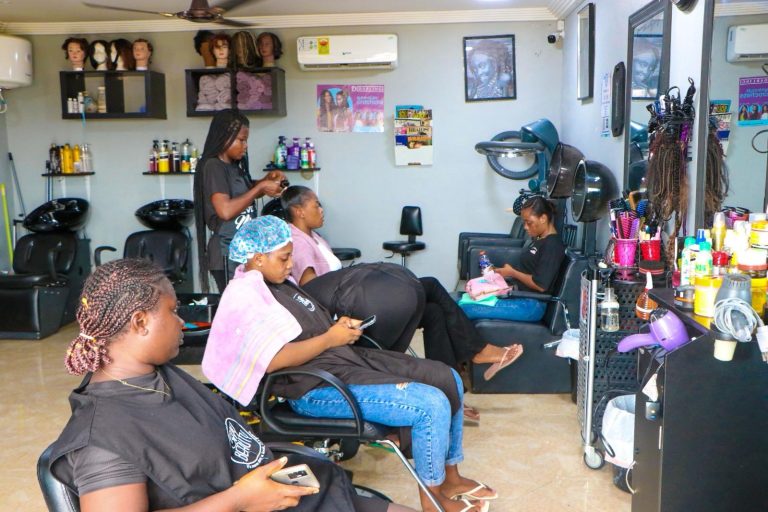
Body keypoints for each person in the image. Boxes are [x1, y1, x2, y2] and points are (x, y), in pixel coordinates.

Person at [47, 258, 405, 512]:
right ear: (140, 322)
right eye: (173, 311)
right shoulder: (103, 439)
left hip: (292, 494)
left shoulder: (155, 376)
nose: (181, 322)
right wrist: (239, 499)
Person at [203, 216, 497, 512]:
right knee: (429, 403)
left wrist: (338, 328)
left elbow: (306, 328)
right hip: (312, 387)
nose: (291, 264)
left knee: (447, 377)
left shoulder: (277, 283)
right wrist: (330, 338)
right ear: (258, 258)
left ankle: (451, 478)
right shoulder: (246, 295)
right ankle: (433, 503)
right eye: (284, 258)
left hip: (339, 361)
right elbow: (273, 360)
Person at [281, 186, 523, 395]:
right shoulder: (298, 242)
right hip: (342, 312)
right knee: (431, 285)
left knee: (434, 312)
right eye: (316, 205)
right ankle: (478, 350)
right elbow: (312, 292)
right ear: (299, 210)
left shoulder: (315, 238)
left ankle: (450, 386)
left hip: (351, 298)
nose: (322, 209)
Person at [193, 109, 285, 293]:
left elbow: (244, 195)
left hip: (241, 249)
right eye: (241, 140)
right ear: (224, 137)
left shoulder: (234, 167)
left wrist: (266, 181)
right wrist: (260, 188)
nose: (245, 146)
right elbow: (225, 210)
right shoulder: (213, 167)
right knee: (239, 304)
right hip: (226, 251)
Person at [460, 196, 566, 322]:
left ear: (543, 218)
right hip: (519, 296)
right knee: (461, 302)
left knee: (464, 310)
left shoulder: (552, 245)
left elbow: (540, 285)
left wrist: (512, 272)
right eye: (524, 222)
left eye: (529, 222)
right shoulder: (539, 239)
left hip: (531, 305)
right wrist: (501, 272)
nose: (525, 227)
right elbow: (529, 269)